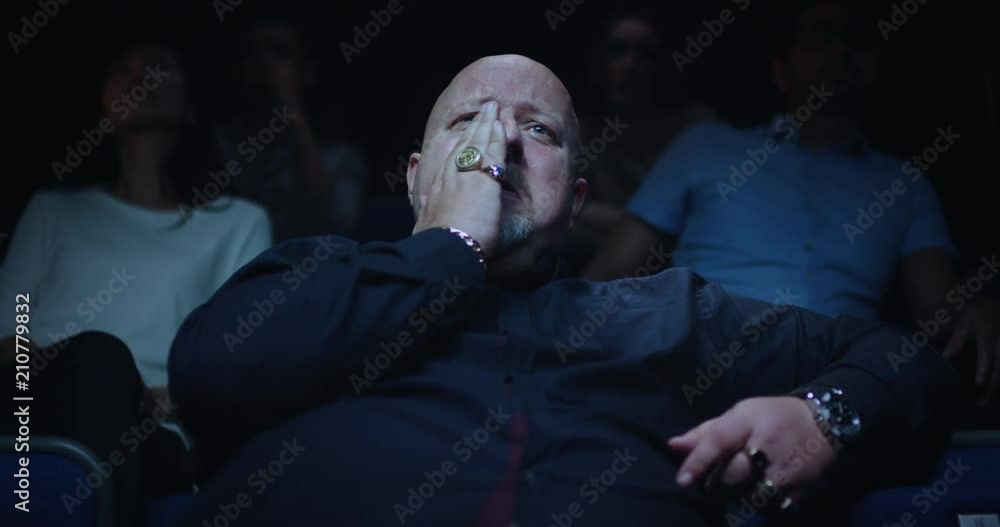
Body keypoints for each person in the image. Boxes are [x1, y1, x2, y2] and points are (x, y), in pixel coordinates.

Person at [169, 55, 957, 526]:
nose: (502, 142)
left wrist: (823, 415)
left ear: (576, 201)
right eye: (468, 122)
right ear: (414, 177)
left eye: (538, 130)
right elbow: (211, 377)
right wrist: (452, 243)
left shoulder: (665, 314)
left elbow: (905, 358)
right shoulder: (313, 275)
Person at [582, 0, 1000, 409]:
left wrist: (980, 305)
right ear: (781, 70)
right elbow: (610, 271)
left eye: (856, 40)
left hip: (838, 372)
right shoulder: (705, 146)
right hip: (704, 351)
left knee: (910, 365)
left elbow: (939, 311)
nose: (840, 51)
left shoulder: (905, 183)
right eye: (821, 38)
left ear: (881, 71)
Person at [0, 44, 271, 525]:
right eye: (121, 68)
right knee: (98, 359)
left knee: (106, 366)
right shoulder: (52, 209)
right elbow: (9, 327)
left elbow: (241, 360)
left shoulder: (237, 223)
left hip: (158, 425)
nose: (137, 77)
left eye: (157, 67)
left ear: (190, 104)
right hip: (36, 404)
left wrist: (144, 398)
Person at [563, 8, 716, 273]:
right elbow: (568, 208)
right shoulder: (586, 132)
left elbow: (708, 217)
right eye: (617, 51)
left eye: (644, 54)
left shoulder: (695, 127)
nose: (630, 65)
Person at [213, 15, 368, 242]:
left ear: (306, 72)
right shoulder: (218, 145)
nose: (264, 62)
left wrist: (291, 112)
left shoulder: (341, 158)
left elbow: (332, 224)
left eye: (279, 53)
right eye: (252, 52)